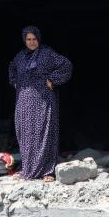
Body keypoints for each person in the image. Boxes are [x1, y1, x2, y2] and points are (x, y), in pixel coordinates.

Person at [8, 25, 72, 181]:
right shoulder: (20, 57)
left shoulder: (47, 54)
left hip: (42, 100)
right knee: (26, 134)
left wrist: (53, 80)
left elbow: (66, 65)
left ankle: (47, 171)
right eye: (28, 39)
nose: (31, 42)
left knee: (44, 134)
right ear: (24, 40)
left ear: (39, 39)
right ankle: (28, 169)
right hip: (24, 101)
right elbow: (12, 68)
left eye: (34, 39)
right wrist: (15, 82)